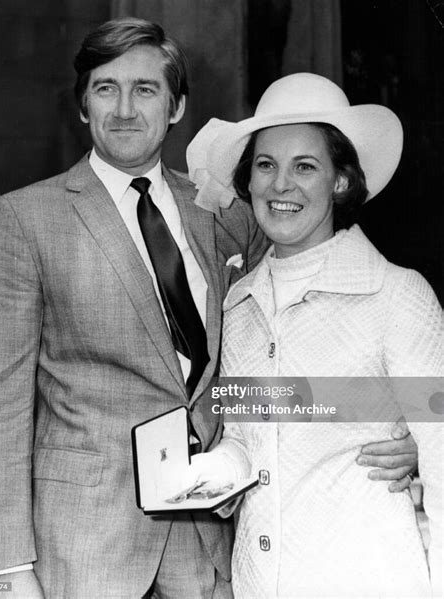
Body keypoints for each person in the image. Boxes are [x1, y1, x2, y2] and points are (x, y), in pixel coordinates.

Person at [0, 18, 417, 599]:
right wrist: (9, 570)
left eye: (146, 89)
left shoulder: (227, 214)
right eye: (106, 88)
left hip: (210, 544)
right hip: (81, 549)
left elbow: (280, 357)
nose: (124, 109)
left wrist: (394, 424)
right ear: (83, 106)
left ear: (177, 105)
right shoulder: (27, 219)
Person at [184, 73, 443, 598]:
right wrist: (195, 473)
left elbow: (441, 461)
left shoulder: (397, 295)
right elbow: (247, 440)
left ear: (341, 181)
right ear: (248, 182)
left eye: (305, 166)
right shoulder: (238, 306)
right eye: (266, 165)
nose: (282, 185)